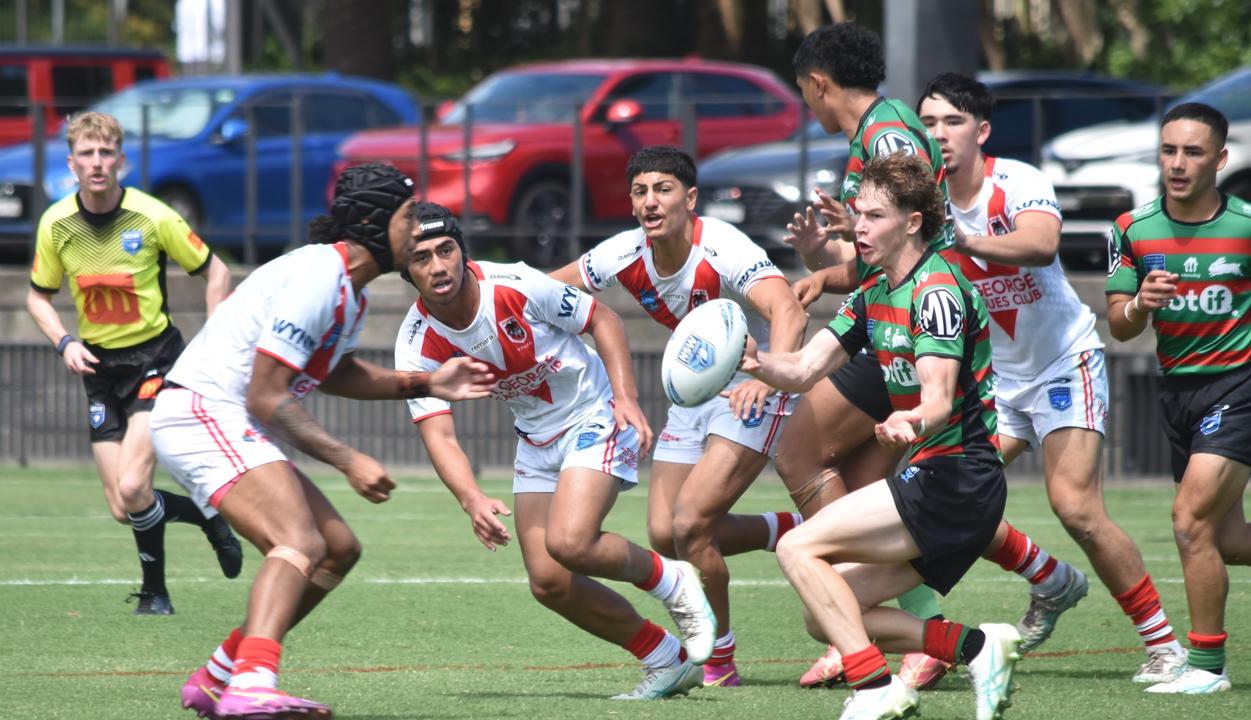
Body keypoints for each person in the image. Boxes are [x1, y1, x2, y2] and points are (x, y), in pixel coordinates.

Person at [157, 163, 496, 719]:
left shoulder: (348, 293)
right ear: (372, 222)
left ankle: (219, 677)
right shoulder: (319, 278)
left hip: (225, 415)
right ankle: (251, 683)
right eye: (408, 217)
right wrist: (347, 458)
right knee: (300, 542)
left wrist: (428, 381)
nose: (417, 231)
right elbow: (267, 396)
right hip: (202, 411)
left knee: (337, 547)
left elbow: (334, 371)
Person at [917, 72, 1188, 683]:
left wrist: (964, 237)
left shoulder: (1016, 180)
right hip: (992, 388)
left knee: (1076, 508)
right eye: (928, 122)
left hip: (1063, 364)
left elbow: (1041, 244)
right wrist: (827, 261)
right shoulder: (921, 198)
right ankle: (1048, 581)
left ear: (980, 131)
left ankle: (1164, 645)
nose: (939, 134)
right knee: (941, 500)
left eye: (952, 121)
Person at [740, 150, 1021, 720]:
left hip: (957, 477)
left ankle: (872, 689)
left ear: (912, 222)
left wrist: (908, 419)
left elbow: (939, 401)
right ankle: (976, 647)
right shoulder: (873, 292)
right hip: (942, 480)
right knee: (828, 610)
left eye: (872, 217)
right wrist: (754, 363)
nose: (858, 227)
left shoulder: (935, 292)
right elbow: (803, 369)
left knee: (798, 546)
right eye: (857, 214)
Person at [399, 202, 718, 700]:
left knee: (571, 542)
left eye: (446, 250)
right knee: (549, 581)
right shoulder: (416, 343)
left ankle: (672, 579)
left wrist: (626, 399)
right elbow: (438, 434)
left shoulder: (515, 283)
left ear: (462, 250)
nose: (438, 266)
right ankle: (666, 659)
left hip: (595, 412)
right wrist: (471, 499)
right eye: (422, 258)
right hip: (535, 439)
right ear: (405, 271)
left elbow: (604, 318)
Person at [549, 145, 808, 687]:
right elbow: (546, 290)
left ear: (689, 198)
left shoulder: (721, 245)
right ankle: (785, 529)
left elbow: (787, 310)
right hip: (693, 394)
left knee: (691, 524)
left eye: (663, 189)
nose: (650, 201)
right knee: (666, 535)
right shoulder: (624, 253)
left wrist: (765, 378)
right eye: (640, 191)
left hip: (751, 387)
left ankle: (720, 657)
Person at [26, 110, 241, 615]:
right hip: (99, 371)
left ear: (121, 160)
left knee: (133, 484)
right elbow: (37, 297)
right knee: (123, 506)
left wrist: (212, 342)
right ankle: (210, 518)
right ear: (71, 164)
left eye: (106, 153)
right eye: (87, 154)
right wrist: (63, 341)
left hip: (155, 360)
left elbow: (218, 272)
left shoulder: (152, 216)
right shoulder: (56, 225)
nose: (97, 163)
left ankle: (155, 593)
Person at [1107, 102, 1251, 694]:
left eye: (1193, 152)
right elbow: (1119, 326)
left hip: (1240, 385)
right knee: (1225, 541)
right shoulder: (1133, 229)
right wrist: (1140, 305)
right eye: (1169, 150)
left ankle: (1207, 667)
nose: (1178, 164)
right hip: (1176, 393)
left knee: (1187, 521)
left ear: (1221, 159)